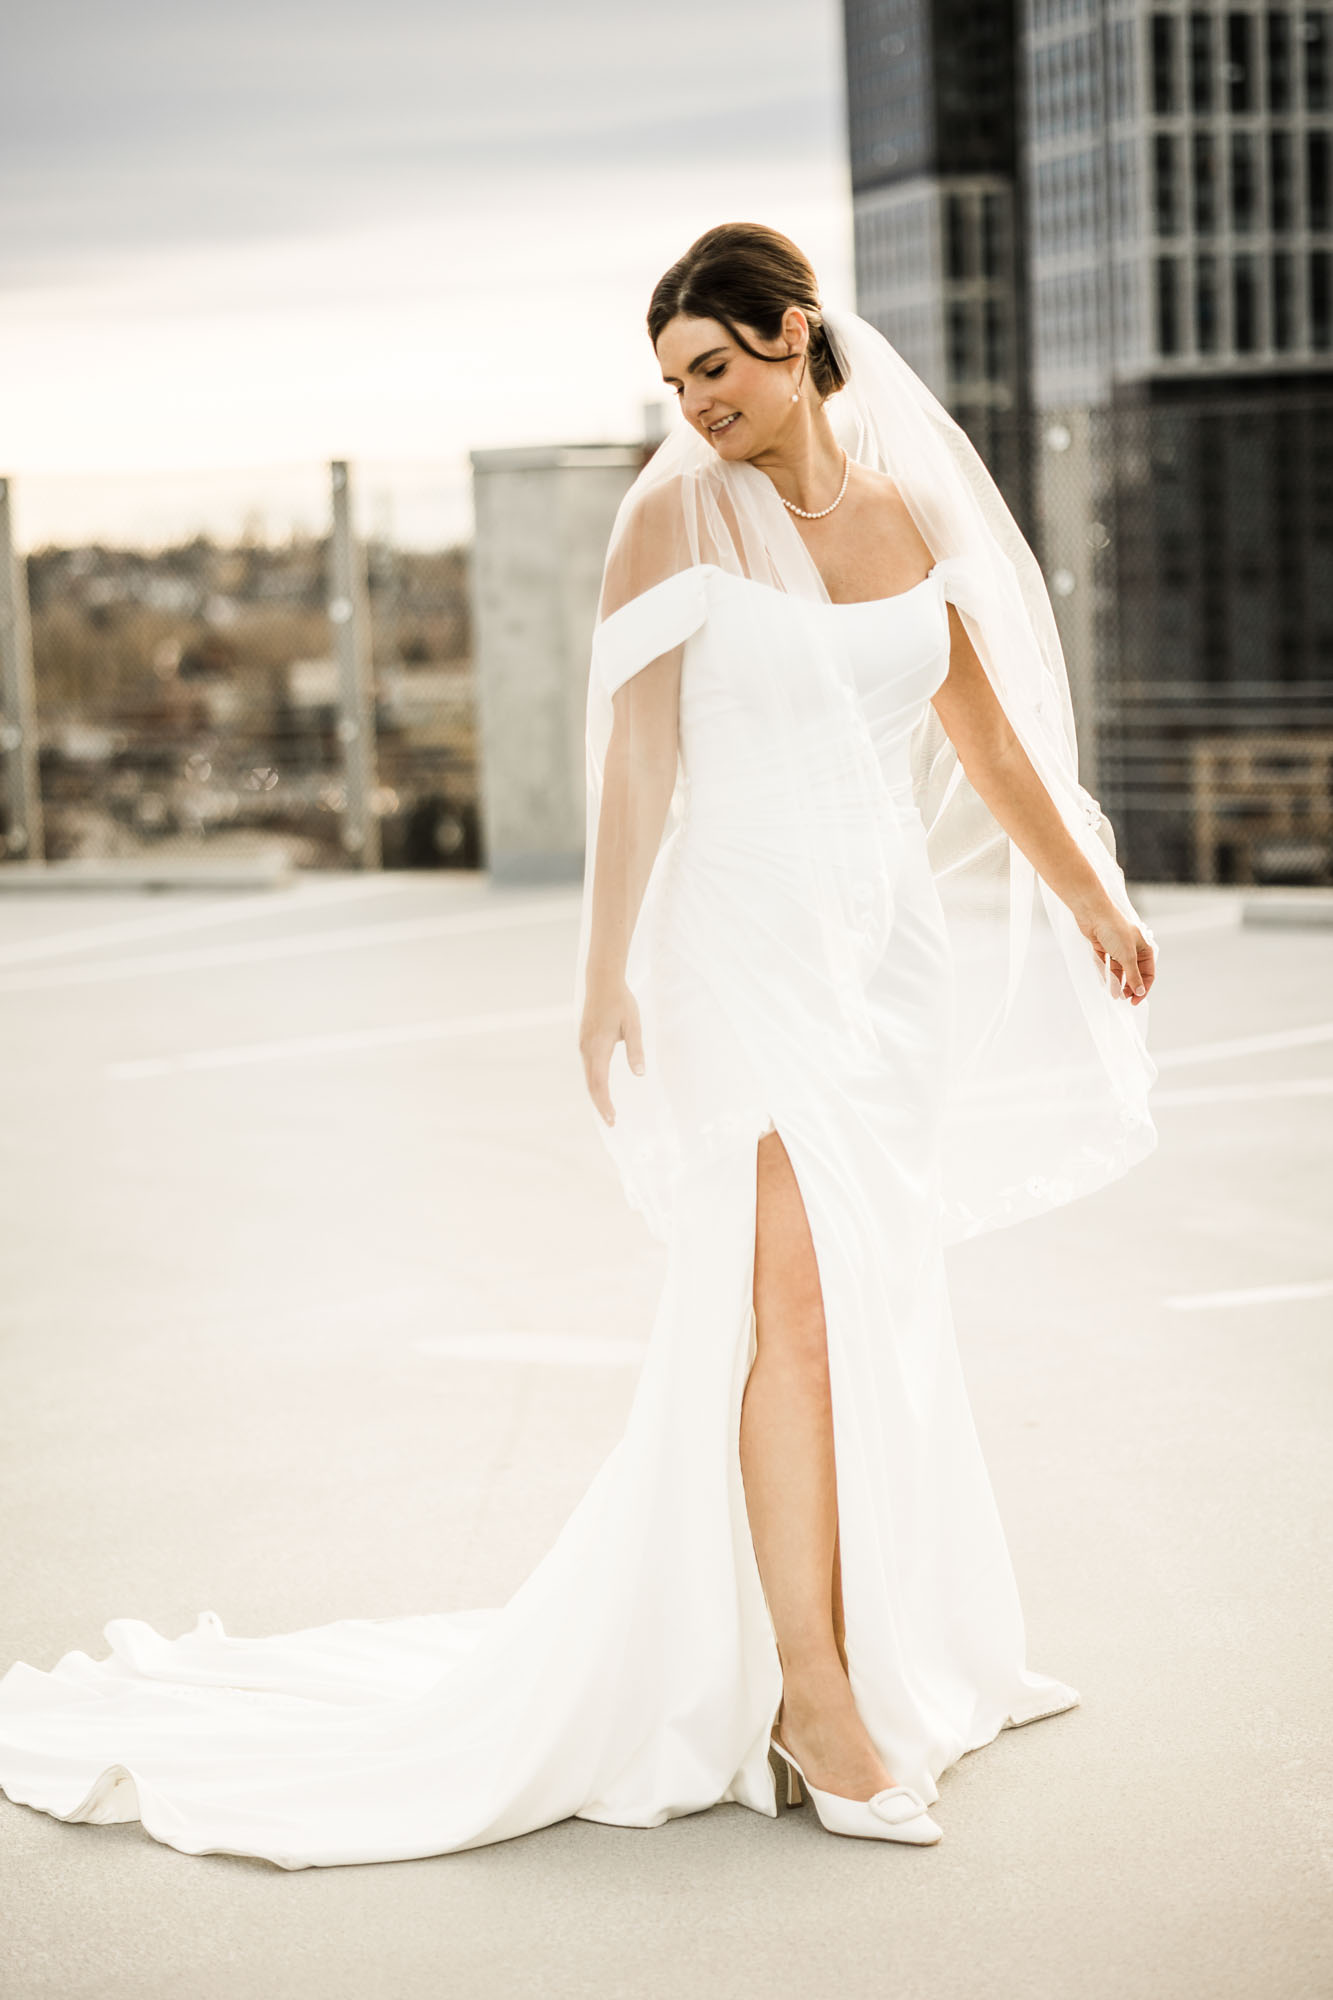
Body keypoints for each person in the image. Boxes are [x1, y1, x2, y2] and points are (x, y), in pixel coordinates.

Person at [0, 224, 1158, 1867]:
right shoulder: (669, 515)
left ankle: (846, 1639)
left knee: (861, 1294)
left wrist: (1093, 895)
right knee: (794, 1309)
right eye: (674, 381)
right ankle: (811, 1697)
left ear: (795, 337)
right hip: (735, 949)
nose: (695, 406)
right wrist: (599, 972)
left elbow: (983, 740)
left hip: (884, 963)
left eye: (717, 368)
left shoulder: (909, 514)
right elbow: (634, 764)